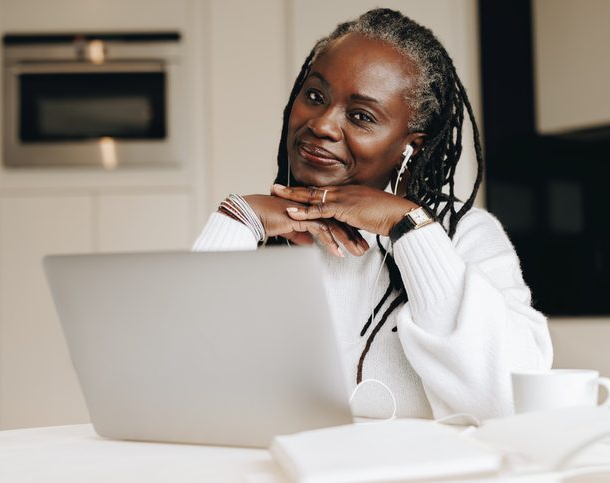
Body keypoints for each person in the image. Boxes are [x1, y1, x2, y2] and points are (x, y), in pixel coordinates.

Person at [193, 8, 552, 421]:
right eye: (314, 96)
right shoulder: (260, 229)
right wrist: (237, 219)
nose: (322, 124)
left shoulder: (463, 234)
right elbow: (171, 384)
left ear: (410, 147)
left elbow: (512, 398)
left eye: (361, 116)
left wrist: (410, 229)